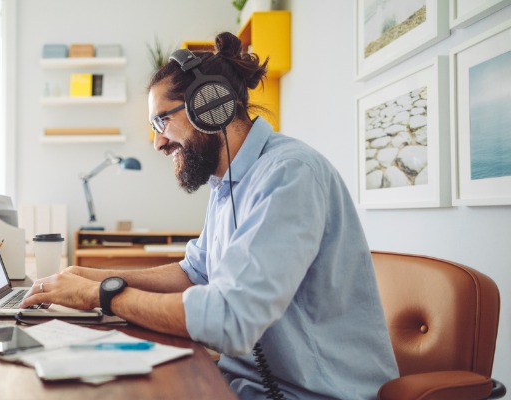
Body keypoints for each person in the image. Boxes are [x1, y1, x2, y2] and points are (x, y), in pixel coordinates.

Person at [21, 32, 399, 399]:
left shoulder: (290, 174)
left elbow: (229, 320)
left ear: (208, 105)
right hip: (240, 384)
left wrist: (99, 295)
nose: (157, 142)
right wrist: (91, 276)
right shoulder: (227, 183)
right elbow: (195, 274)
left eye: (160, 122)